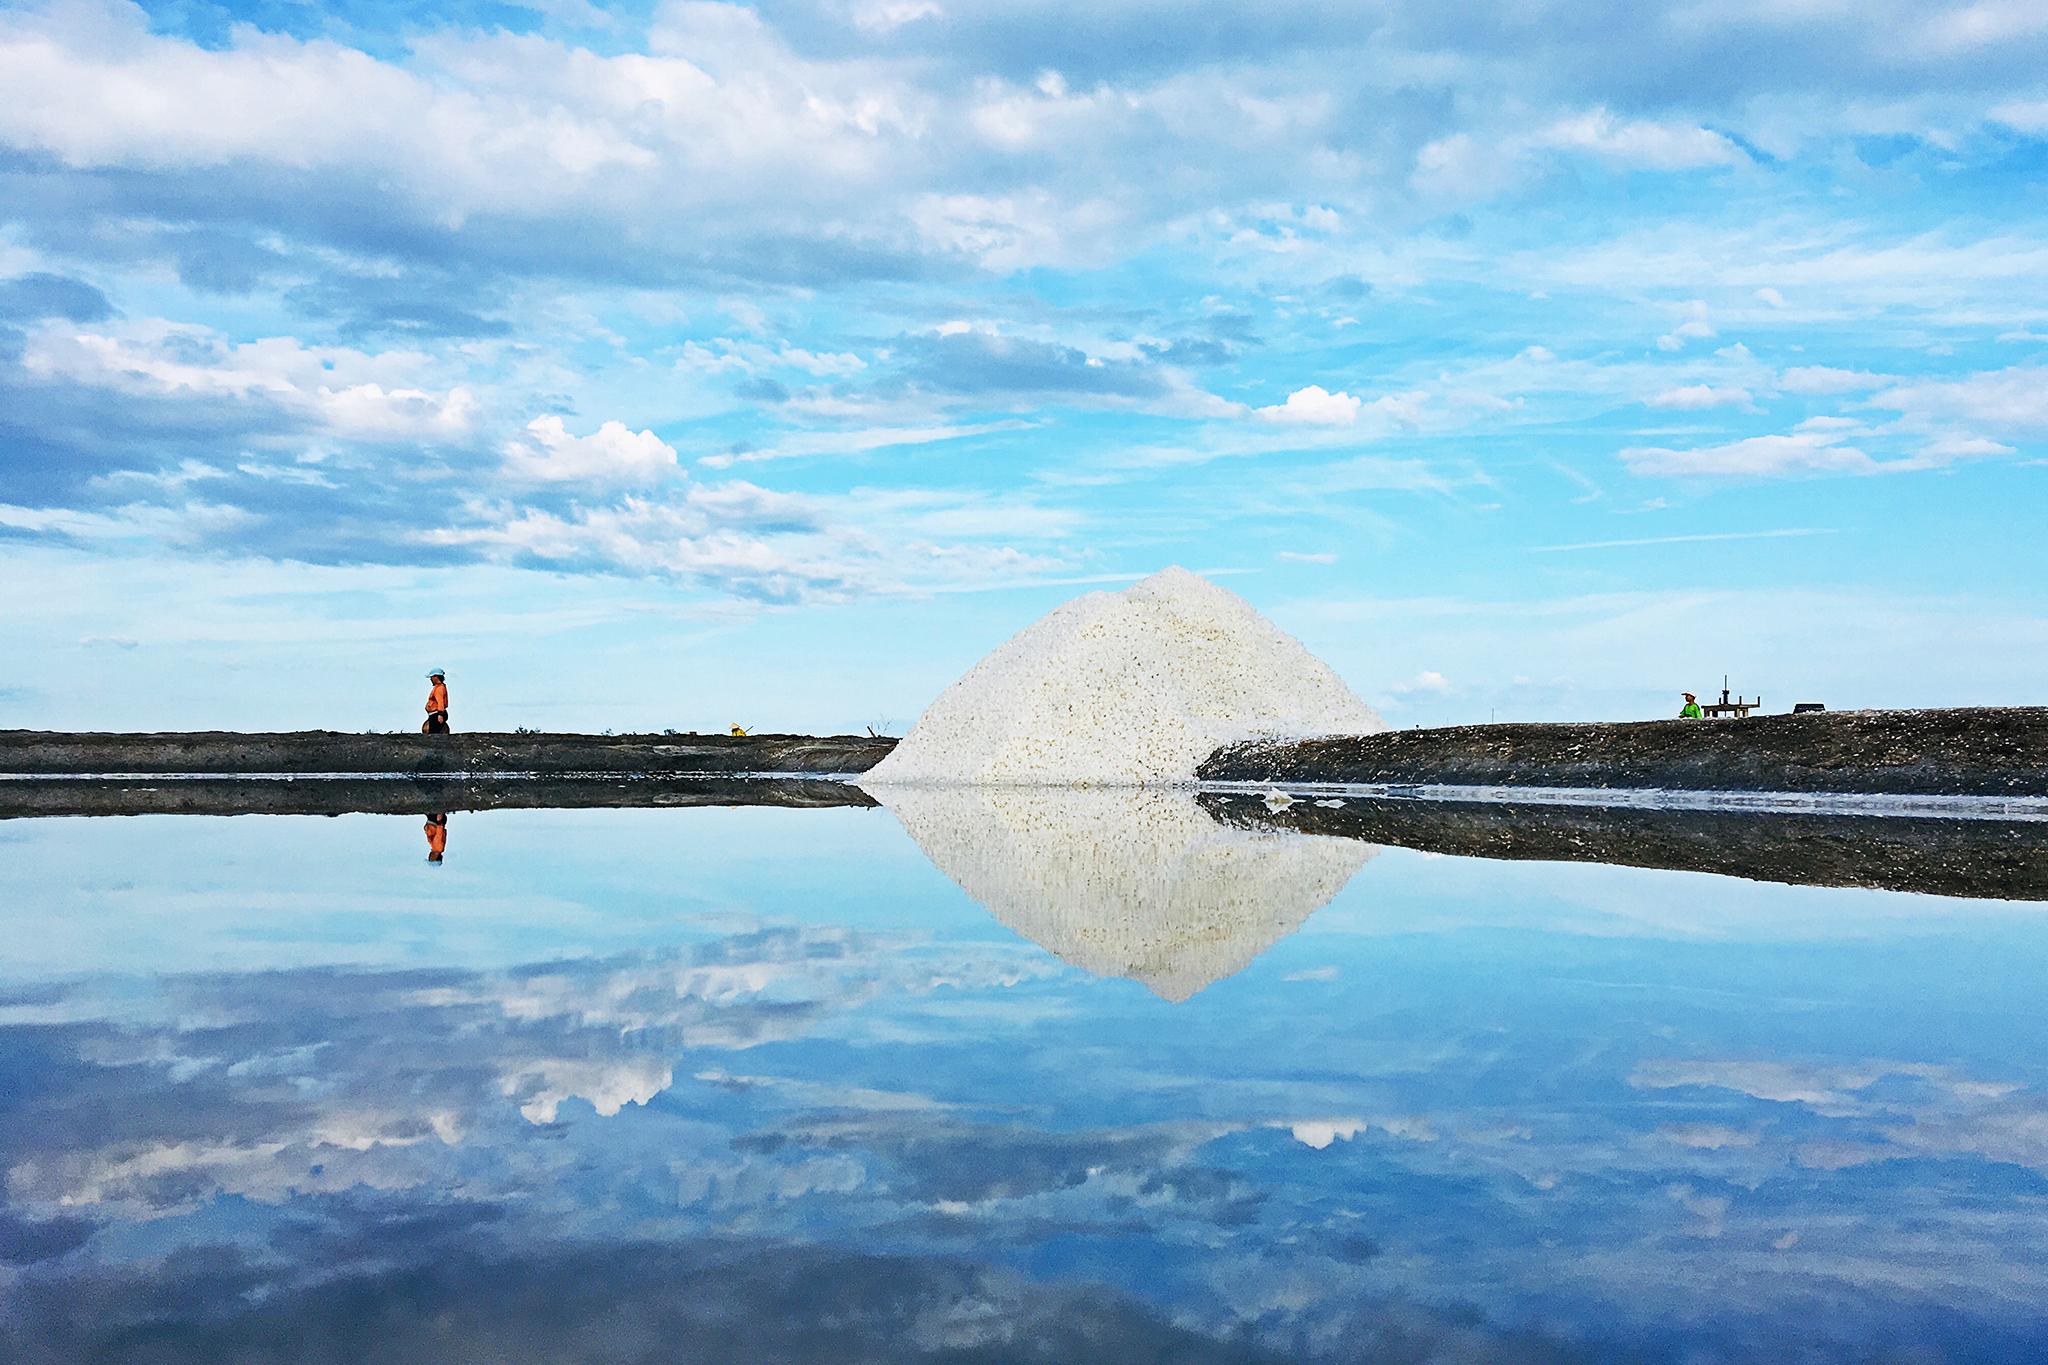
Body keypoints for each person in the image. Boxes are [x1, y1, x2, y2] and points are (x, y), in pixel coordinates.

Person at [423, 669, 450, 734]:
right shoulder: (438, 687)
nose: (430, 679)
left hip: (436, 714)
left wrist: (440, 714)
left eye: (431, 677)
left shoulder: (439, 688)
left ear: (436, 677)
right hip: (434, 714)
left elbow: (440, 702)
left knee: (433, 734)